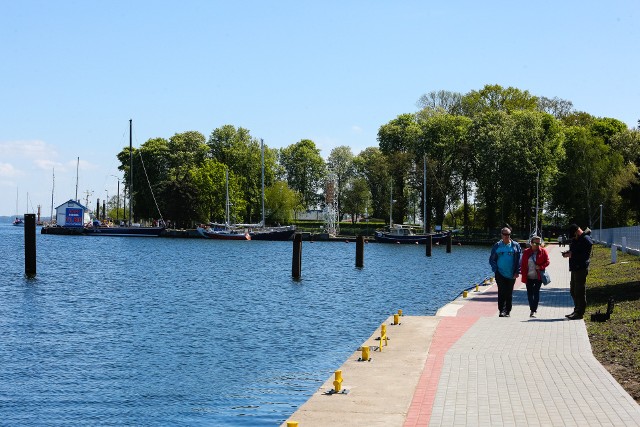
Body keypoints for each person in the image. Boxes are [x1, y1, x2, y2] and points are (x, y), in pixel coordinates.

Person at [562, 223, 593, 320]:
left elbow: (585, 255)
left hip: (581, 268)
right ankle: (576, 309)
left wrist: (572, 255)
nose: (573, 238)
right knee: (573, 290)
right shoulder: (578, 239)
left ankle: (580, 313)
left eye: (573, 235)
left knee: (579, 291)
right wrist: (568, 253)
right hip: (575, 267)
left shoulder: (586, 240)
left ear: (577, 232)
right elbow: (576, 250)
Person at [489, 226, 522, 317]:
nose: (506, 236)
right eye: (504, 234)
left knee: (509, 292)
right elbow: (492, 259)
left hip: (512, 274)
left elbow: (519, 260)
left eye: (508, 234)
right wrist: (495, 269)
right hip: (500, 273)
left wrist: (517, 271)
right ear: (501, 235)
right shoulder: (497, 245)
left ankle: (508, 310)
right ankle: (501, 311)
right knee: (501, 292)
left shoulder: (515, 245)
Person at [520, 235, 550, 318]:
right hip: (528, 276)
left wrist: (540, 267)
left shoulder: (543, 251)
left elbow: (547, 262)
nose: (537, 245)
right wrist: (522, 273)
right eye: (535, 243)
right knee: (529, 294)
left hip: (538, 277)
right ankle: (532, 308)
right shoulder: (526, 252)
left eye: (539, 243)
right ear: (531, 243)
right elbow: (522, 264)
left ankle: (533, 310)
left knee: (536, 293)